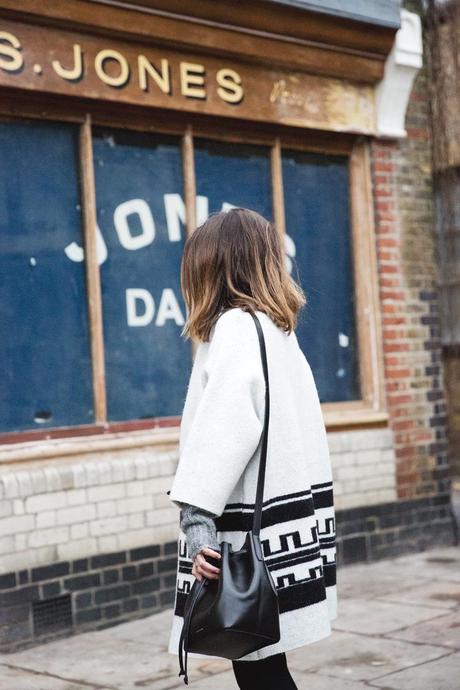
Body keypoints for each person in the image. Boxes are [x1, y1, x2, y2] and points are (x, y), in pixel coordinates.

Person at [166, 207, 337, 690]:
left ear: (213, 266)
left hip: (244, 540)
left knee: (257, 667)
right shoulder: (277, 331)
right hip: (285, 529)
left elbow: (224, 430)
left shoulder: (236, 329)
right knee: (263, 665)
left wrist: (197, 521)